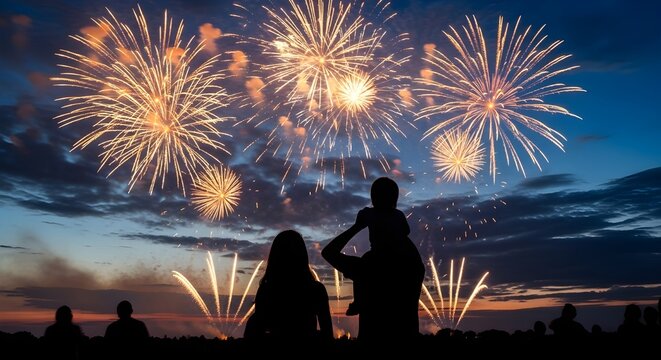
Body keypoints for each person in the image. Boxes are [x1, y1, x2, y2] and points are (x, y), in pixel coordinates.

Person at [322, 177, 424, 341]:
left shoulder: (368, 265)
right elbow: (405, 235)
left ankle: (357, 303)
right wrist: (393, 224)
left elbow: (328, 252)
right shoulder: (413, 267)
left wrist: (357, 226)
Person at [244, 230, 332, 340]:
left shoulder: (267, 290)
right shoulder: (317, 290)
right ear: (303, 255)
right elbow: (328, 334)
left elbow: (257, 329)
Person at [345, 177, 411, 316]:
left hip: (377, 252)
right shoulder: (398, 214)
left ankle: (358, 302)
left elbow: (361, 219)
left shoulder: (369, 213)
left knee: (361, 272)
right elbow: (407, 231)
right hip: (397, 254)